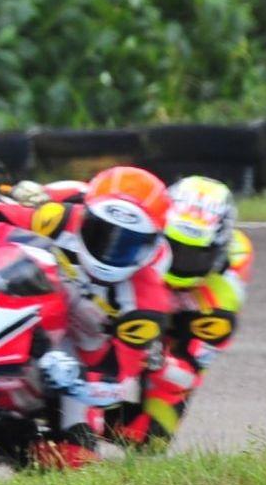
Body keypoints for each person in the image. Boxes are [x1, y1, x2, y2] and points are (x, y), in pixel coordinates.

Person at [0, 165, 176, 468]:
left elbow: (119, 378)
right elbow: (2, 211)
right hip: (22, 307)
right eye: (102, 233)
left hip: (70, 362)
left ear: (150, 246)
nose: (112, 249)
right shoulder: (62, 218)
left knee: (78, 458)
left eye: (129, 243)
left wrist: (77, 382)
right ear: (86, 218)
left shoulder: (147, 306)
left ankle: (0, 439)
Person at [106, 175, 250, 453]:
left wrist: (157, 359)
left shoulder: (225, 291)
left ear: (218, 251)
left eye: (194, 255)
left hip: (183, 325)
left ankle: (96, 423)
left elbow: (191, 368)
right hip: (137, 296)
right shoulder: (141, 230)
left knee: (152, 439)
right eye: (173, 247)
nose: (179, 262)